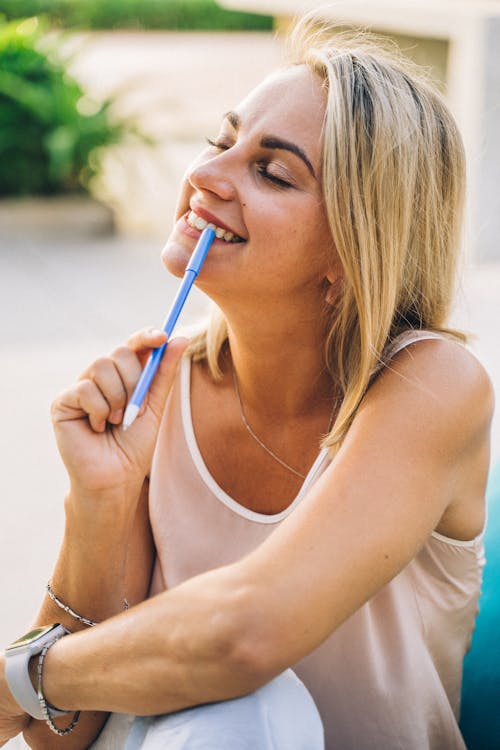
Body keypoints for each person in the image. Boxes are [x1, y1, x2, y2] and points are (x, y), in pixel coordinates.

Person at [0, 14, 494, 750]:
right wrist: (101, 497)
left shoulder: (431, 386)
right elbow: (64, 738)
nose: (204, 176)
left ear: (353, 249)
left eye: (271, 171)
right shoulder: (160, 392)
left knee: (251, 711)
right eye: (221, 142)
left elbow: (246, 636)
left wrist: (22, 678)